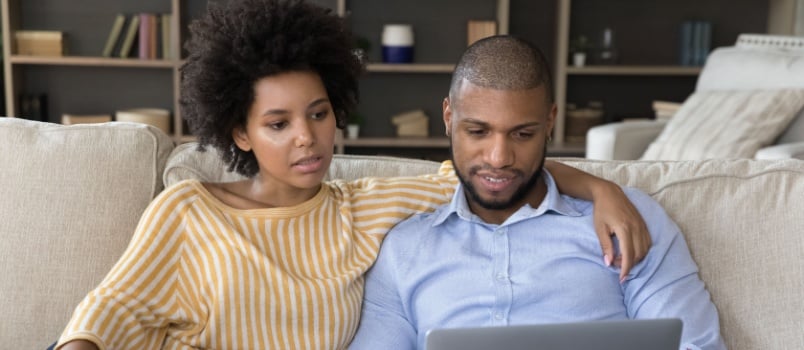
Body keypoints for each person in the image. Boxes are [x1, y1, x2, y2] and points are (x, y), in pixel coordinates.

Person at [54, 1, 651, 349]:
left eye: (318, 114)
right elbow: (113, 308)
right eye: (278, 123)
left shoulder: (364, 209)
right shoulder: (189, 209)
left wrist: (600, 189)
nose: (307, 137)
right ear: (240, 133)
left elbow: (489, 168)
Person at [349, 35, 725, 350]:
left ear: (549, 122)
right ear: (449, 118)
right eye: (478, 132)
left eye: (522, 134)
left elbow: (695, 345)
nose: (498, 158)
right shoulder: (404, 249)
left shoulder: (626, 220)